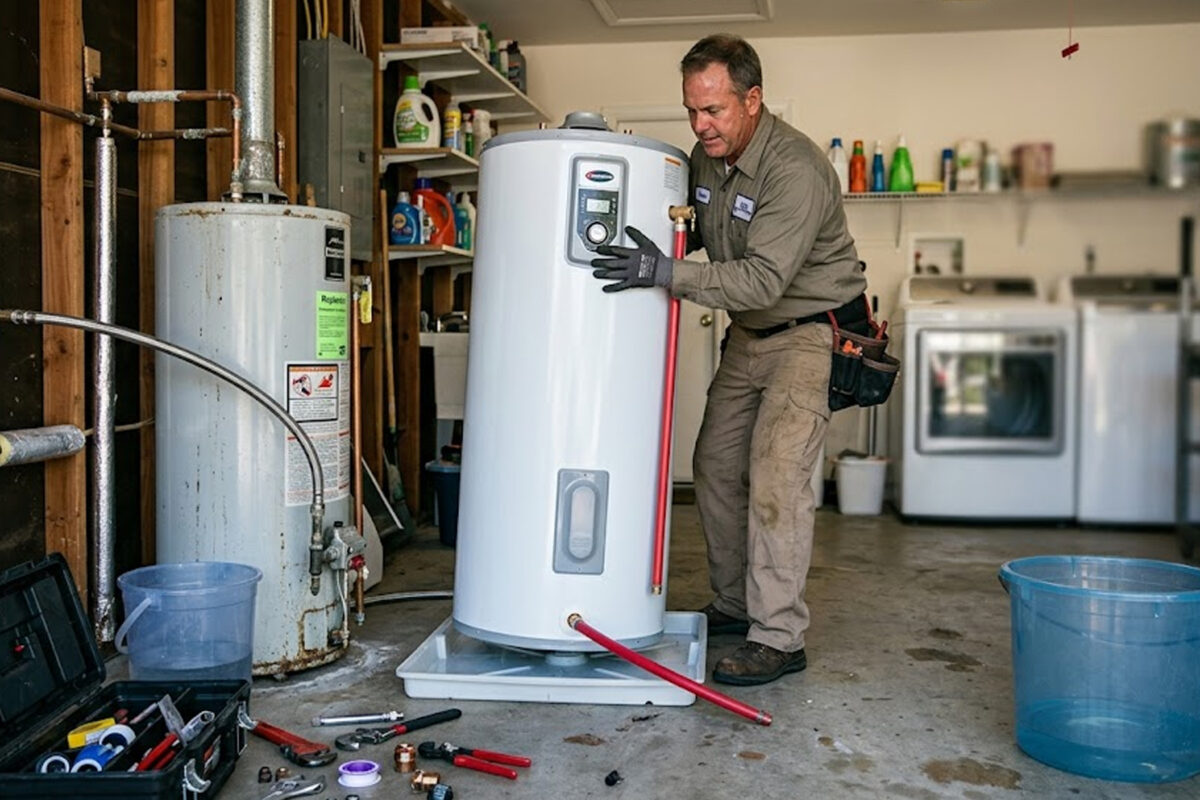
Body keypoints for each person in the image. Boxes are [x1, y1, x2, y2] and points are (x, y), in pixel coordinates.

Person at [591, 34, 869, 686]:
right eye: (692, 110)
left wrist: (663, 273)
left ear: (752, 99)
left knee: (777, 479)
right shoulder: (705, 158)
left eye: (713, 110)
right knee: (714, 465)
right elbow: (692, 224)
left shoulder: (794, 169)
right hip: (750, 335)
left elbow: (762, 280)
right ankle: (736, 602)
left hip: (809, 332)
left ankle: (779, 636)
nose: (700, 125)